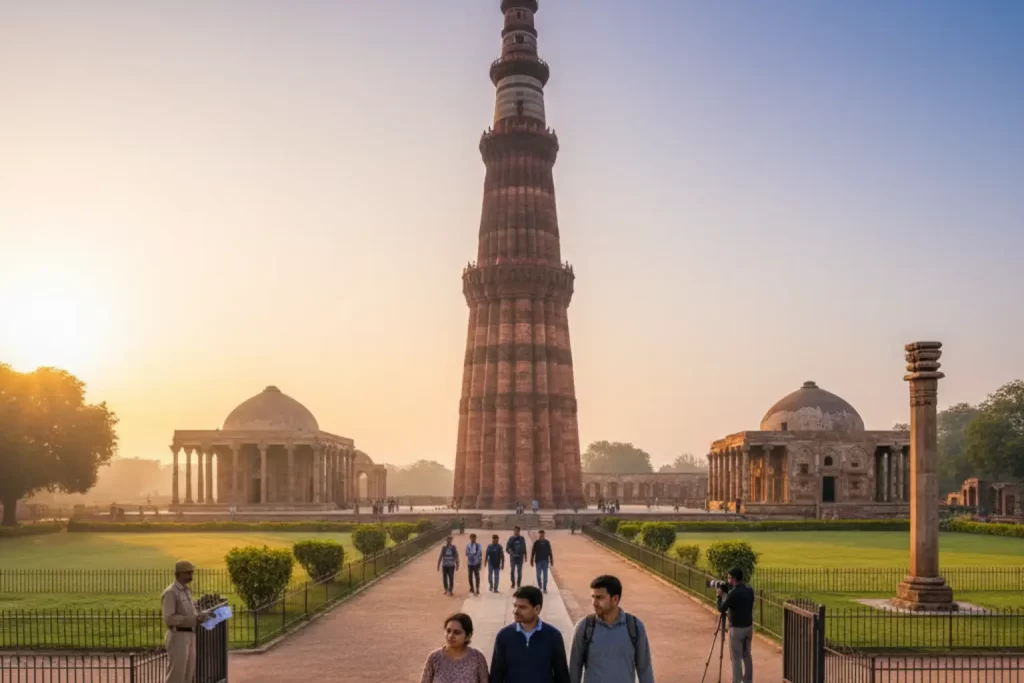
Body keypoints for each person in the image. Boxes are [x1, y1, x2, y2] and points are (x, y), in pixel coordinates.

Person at [568, 574, 654, 683]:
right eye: (593, 597)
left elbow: (645, 669)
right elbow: (574, 668)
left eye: (599, 598)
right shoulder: (585, 627)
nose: (594, 603)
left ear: (615, 599)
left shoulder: (635, 627)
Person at [489, 586, 570, 683]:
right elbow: (496, 676)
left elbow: (562, 676)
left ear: (537, 609)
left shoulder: (553, 636)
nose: (515, 611)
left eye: (522, 607)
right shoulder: (504, 636)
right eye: (515, 605)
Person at [161, 560, 211, 683]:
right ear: (178, 574)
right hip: (178, 635)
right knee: (177, 674)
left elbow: (190, 611)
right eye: (188, 573)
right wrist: (193, 619)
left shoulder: (186, 590)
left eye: (191, 572)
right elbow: (169, 618)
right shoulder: (171, 593)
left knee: (188, 674)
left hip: (190, 634)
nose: (191, 576)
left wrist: (199, 616)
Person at [419, 612, 489, 683]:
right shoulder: (434, 658)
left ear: (468, 636)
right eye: (448, 631)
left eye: (457, 632)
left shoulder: (477, 658)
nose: (450, 636)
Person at [718, 567, 755, 683]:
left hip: (736, 630)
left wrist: (719, 596)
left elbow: (721, 608)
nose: (728, 581)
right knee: (747, 655)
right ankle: (748, 680)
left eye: (729, 578)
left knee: (736, 658)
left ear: (733, 579)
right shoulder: (749, 590)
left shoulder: (733, 593)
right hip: (748, 627)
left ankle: (737, 680)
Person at [530, 529, 555, 594]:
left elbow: (550, 551)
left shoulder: (547, 542)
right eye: (540, 534)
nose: (541, 535)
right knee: (538, 575)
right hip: (538, 561)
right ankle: (540, 585)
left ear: (544, 535)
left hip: (545, 561)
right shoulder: (536, 543)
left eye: (542, 534)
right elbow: (533, 552)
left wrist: (551, 560)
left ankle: (544, 588)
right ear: (539, 535)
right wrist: (531, 560)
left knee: (545, 576)